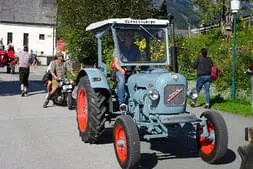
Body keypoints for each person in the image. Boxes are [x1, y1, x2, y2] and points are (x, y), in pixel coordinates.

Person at [112, 31, 141, 110]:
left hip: (132, 69)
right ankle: (122, 102)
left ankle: (138, 100)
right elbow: (116, 63)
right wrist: (121, 70)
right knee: (122, 80)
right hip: (121, 69)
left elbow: (138, 61)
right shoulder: (118, 48)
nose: (129, 38)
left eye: (131, 36)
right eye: (128, 36)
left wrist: (137, 68)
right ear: (124, 37)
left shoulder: (135, 47)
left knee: (140, 80)